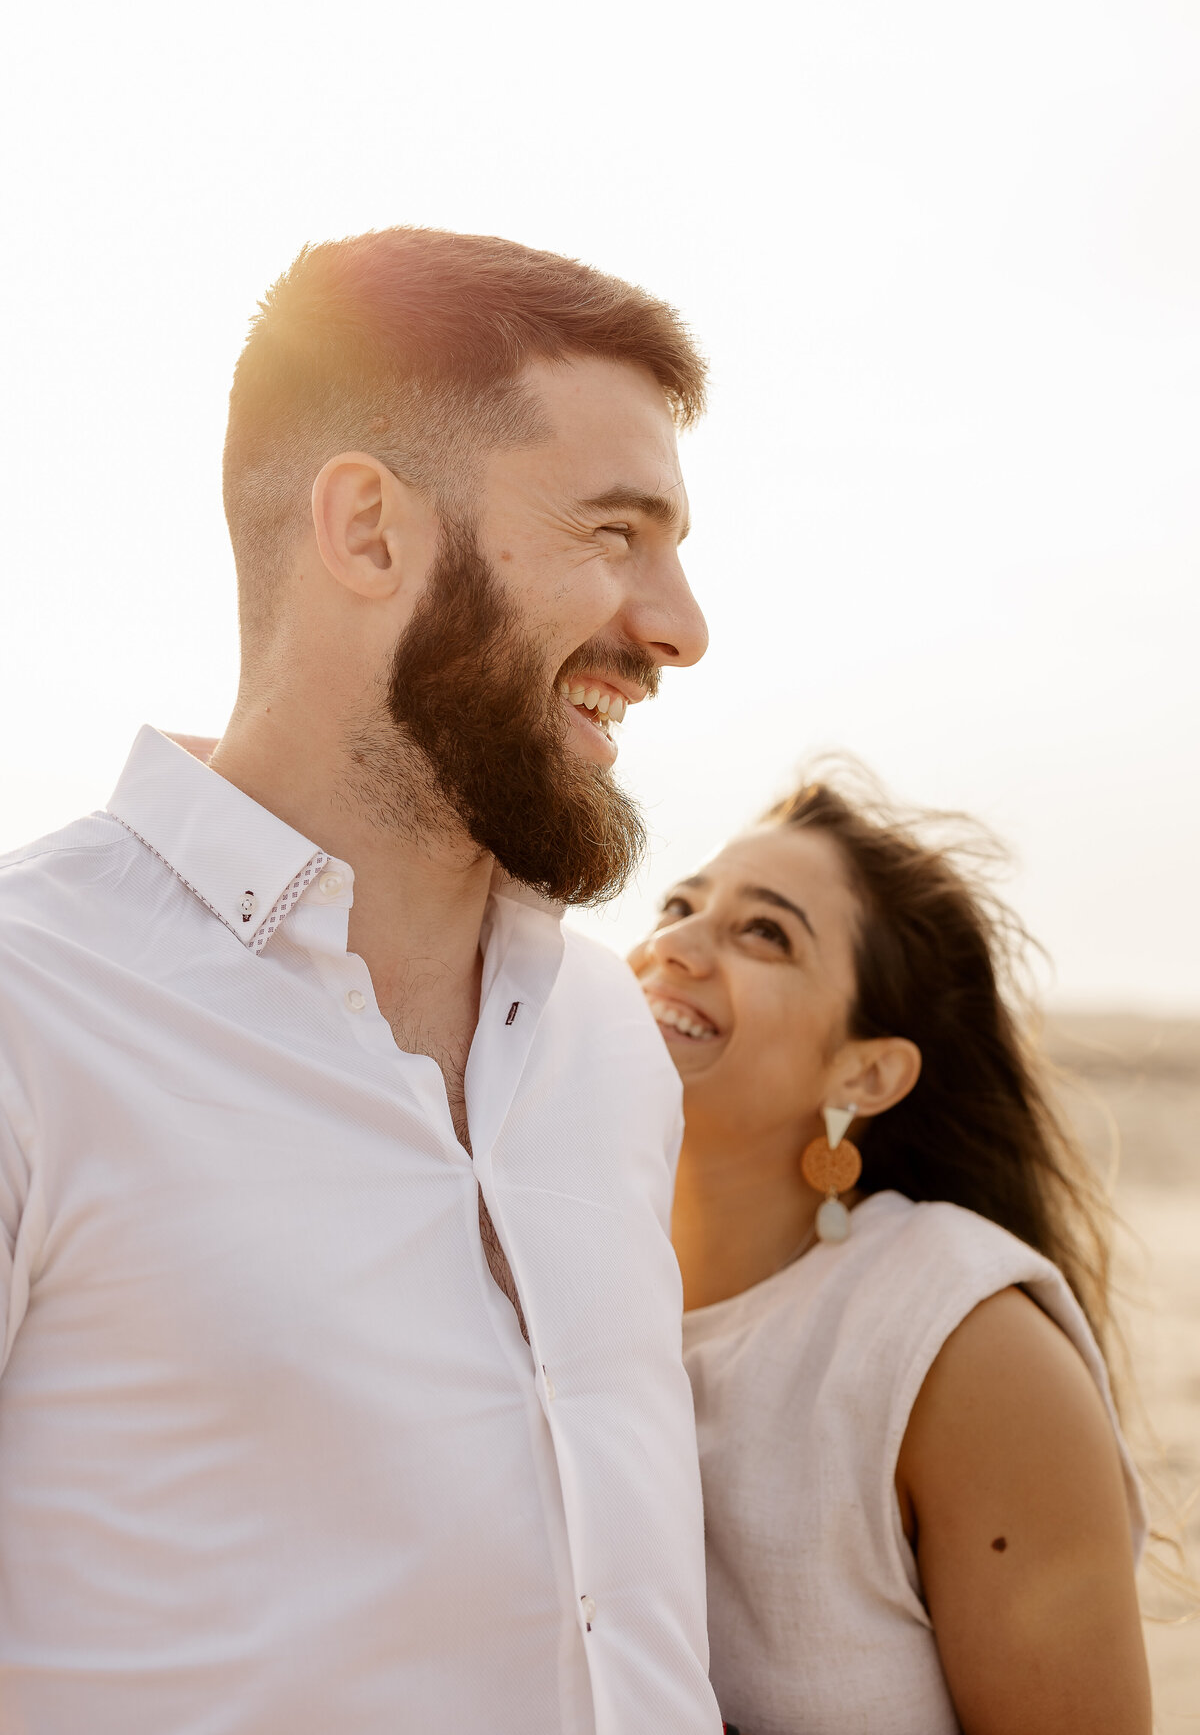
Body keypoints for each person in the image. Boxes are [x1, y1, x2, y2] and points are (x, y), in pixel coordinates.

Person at [0, 229, 724, 1733]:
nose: (678, 628)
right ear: (370, 531)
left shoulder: (606, 1039)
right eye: (614, 534)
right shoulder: (30, 1008)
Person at [630, 771, 1152, 1735]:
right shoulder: (544, 1276)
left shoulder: (956, 1338)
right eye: (678, 905)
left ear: (864, 1072)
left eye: (764, 932)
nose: (673, 946)